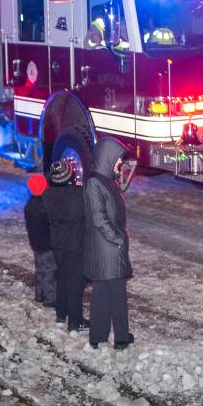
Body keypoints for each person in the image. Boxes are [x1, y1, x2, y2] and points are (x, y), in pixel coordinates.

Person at [83, 139, 133, 350]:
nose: (119, 163)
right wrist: (118, 238)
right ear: (107, 157)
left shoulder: (104, 179)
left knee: (102, 292)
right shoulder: (94, 182)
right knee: (117, 295)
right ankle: (121, 338)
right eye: (117, 160)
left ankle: (98, 336)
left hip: (107, 246)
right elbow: (99, 218)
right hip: (108, 247)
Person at [43, 160, 88, 331]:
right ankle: (75, 322)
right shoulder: (78, 196)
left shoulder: (48, 195)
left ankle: (61, 313)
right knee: (75, 283)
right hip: (76, 244)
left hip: (57, 243)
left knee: (61, 277)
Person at [24, 174, 56, 308]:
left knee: (40, 269)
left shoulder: (29, 205)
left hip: (36, 243)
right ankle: (50, 299)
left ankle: (39, 294)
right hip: (47, 243)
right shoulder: (45, 206)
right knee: (49, 271)